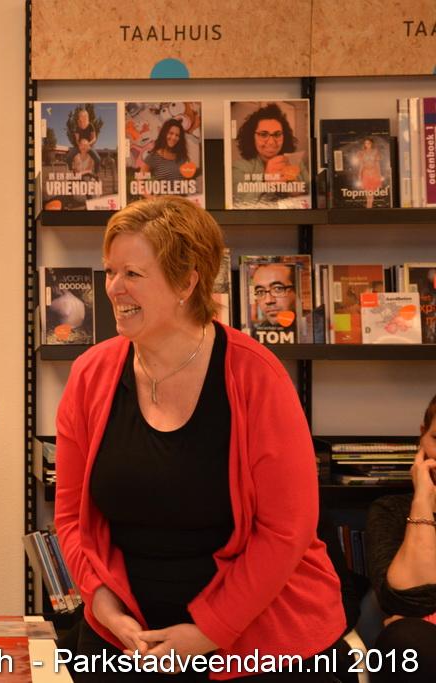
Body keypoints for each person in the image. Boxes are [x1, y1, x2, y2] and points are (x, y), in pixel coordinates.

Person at [55, 196, 346, 681]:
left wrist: (209, 632)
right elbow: (70, 515)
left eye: (133, 274)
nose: (113, 288)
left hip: (257, 639)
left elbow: (286, 530)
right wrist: (101, 601)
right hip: (124, 638)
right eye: (110, 271)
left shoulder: (259, 376)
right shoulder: (90, 374)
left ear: (187, 282)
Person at [366, 392, 436, 682]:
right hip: (425, 647)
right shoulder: (390, 511)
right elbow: (405, 602)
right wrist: (422, 502)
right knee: (406, 641)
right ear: (422, 437)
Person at [231, 102, 309, 208]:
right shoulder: (239, 167)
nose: (271, 142)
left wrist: (298, 189)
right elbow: (239, 203)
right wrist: (265, 181)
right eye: (263, 134)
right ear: (251, 137)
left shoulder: (297, 163)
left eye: (277, 134)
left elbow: (312, 193)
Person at [249, 262, 298, 339]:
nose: (268, 300)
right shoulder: (257, 335)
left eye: (278, 289)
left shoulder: (311, 329)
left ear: (297, 291)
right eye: (260, 292)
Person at [137, 118, 190, 183]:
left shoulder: (182, 157)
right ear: (164, 134)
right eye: (171, 133)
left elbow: (187, 181)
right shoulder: (153, 157)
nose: (174, 137)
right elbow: (139, 182)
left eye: (177, 135)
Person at [357, 137, 383, 209]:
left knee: (371, 192)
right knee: (367, 191)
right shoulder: (362, 153)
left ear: (371, 144)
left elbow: (377, 164)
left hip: (374, 172)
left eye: (368, 143)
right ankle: (369, 206)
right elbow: (361, 164)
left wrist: (380, 174)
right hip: (365, 173)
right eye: (365, 143)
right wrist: (359, 174)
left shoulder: (375, 152)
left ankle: (369, 206)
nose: (367, 145)